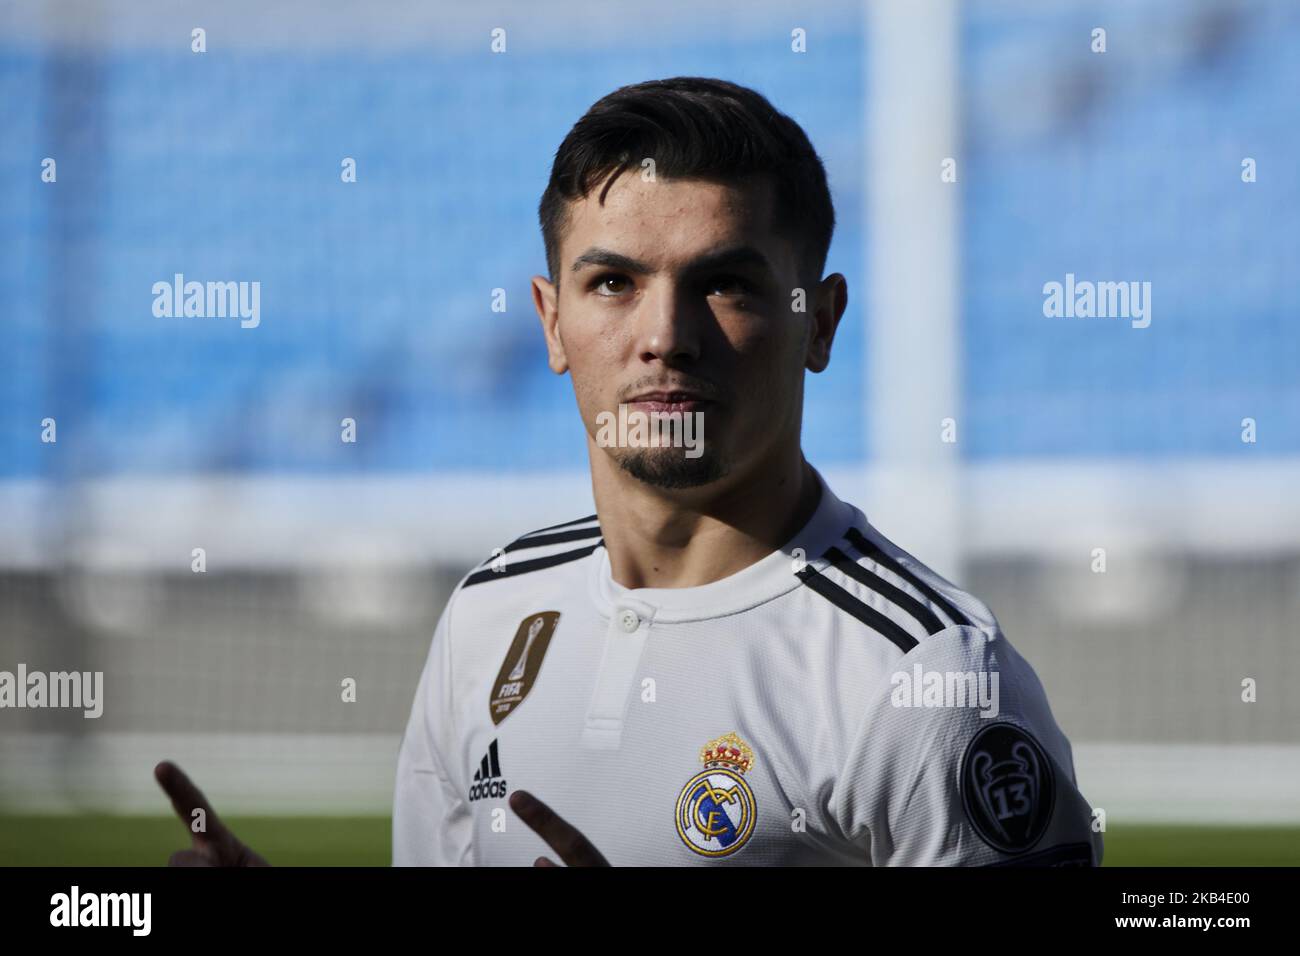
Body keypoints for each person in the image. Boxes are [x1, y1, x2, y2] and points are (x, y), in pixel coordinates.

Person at [157, 76, 1102, 867]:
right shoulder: (489, 612)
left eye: (724, 283)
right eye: (613, 282)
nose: (664, 338)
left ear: (818, 320)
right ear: (550, 321)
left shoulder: (927, 679)